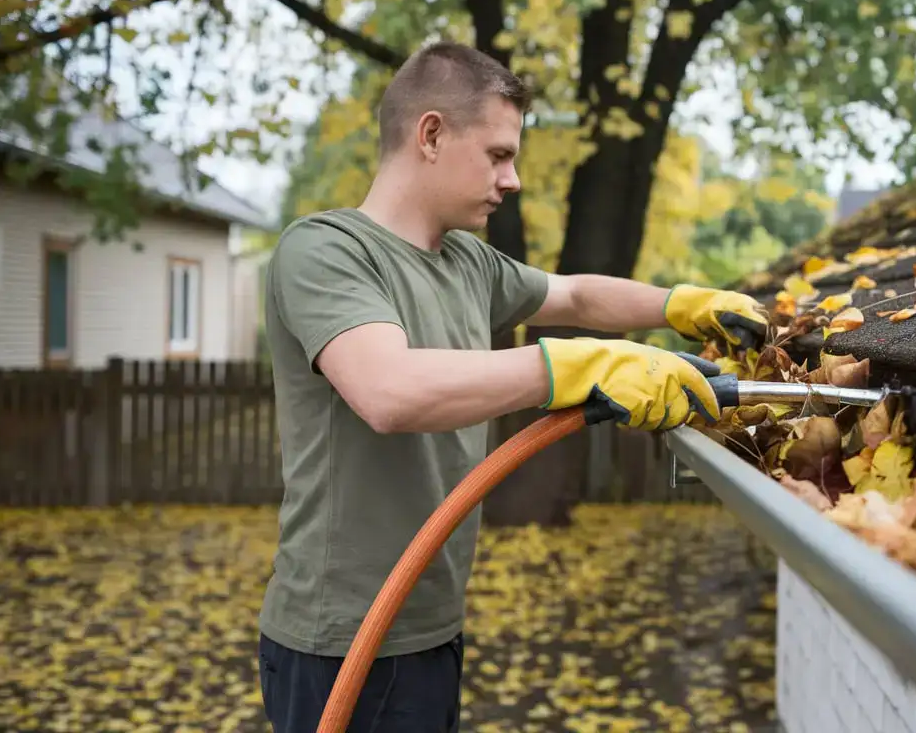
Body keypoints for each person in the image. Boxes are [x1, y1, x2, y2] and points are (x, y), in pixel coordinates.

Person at [256, 41, 767, 732]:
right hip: (343, 640)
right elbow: (389, 392)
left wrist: (679, 305)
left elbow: (579, 296)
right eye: (499, 155)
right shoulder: (325, 252)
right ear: (431, 134)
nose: (514, 179)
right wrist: (576, 369)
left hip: (430, 624)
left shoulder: (467, 261)